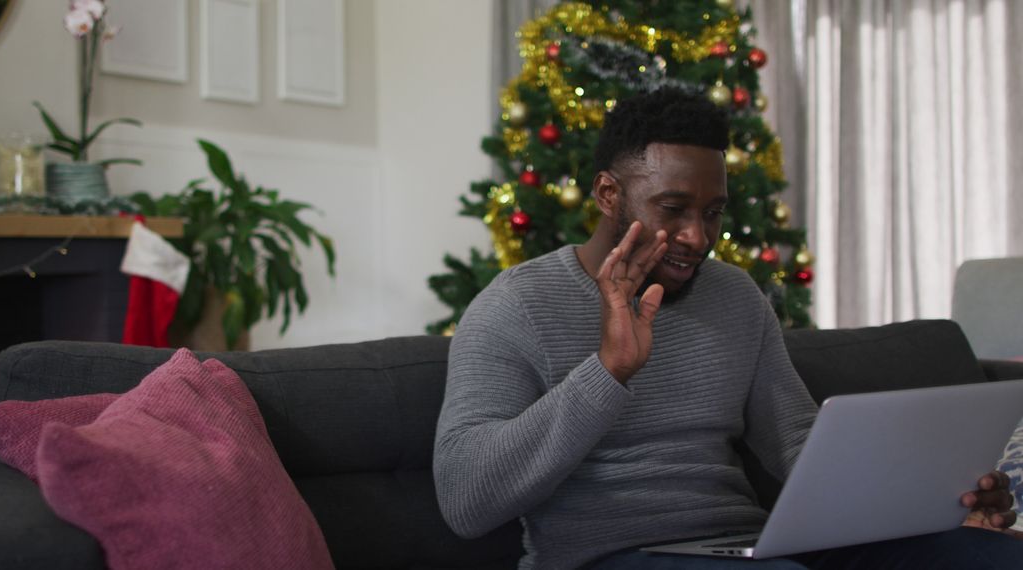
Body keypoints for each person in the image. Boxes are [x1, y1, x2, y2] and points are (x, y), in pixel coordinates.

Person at [432, 86, 1021, 569]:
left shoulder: (733, 294)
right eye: (673, 208)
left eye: (712, 212)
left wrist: (933, 499)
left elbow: (794, 442)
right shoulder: (516, 305)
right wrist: (607, 372)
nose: (698, 236)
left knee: (989, 557)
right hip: (607, 557)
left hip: (746, 547)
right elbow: (467, 501)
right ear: (610, 193)